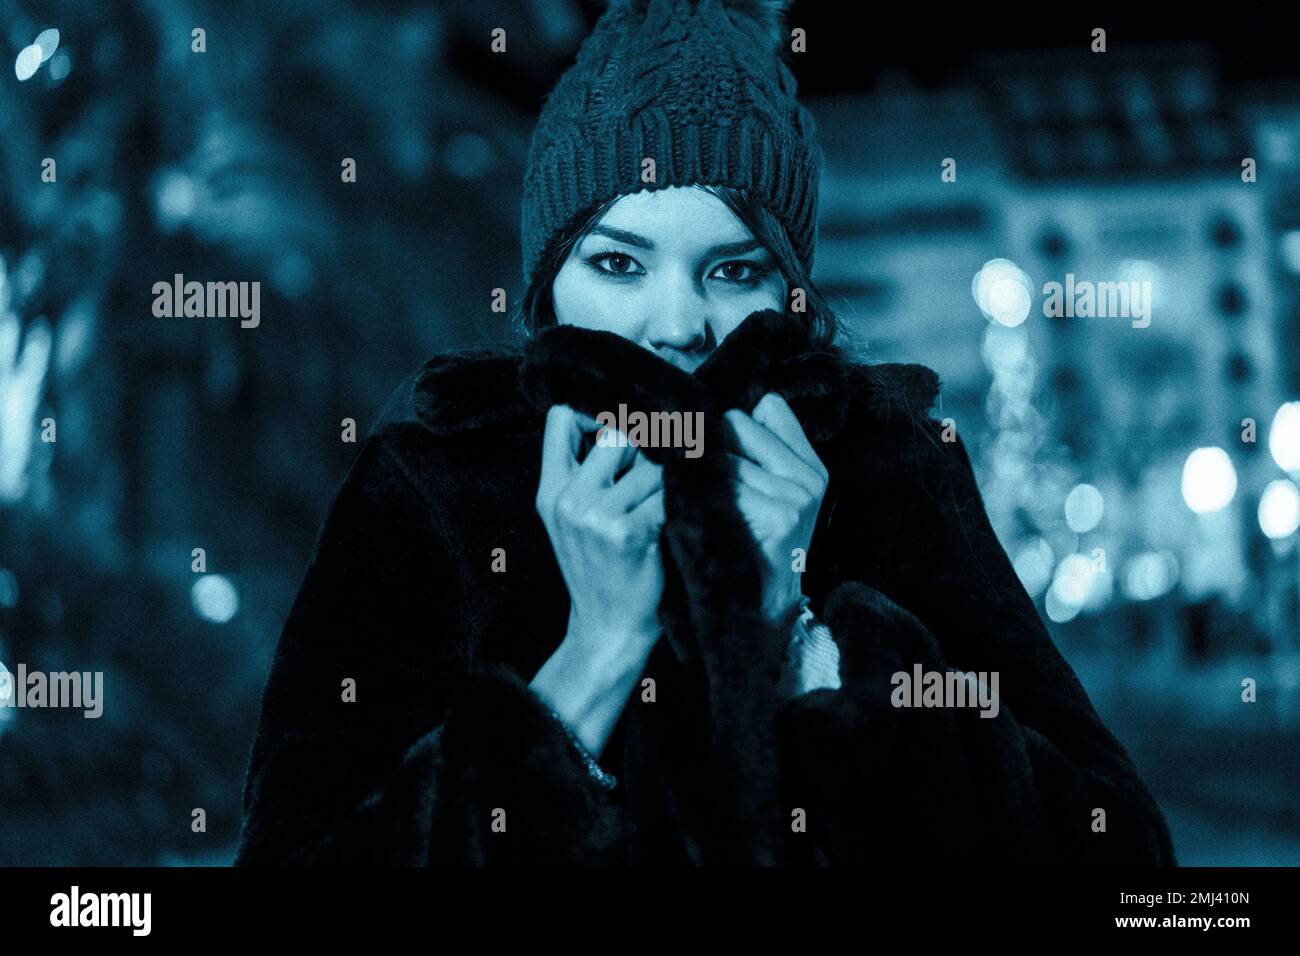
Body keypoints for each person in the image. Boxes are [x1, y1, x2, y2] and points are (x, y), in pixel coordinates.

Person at [234, 0, 1176, 866]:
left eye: (731, 271)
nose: (675, 322)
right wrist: (591, 661)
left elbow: (1124, 859)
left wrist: (805, 642)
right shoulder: (434, 486)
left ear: (789, 295)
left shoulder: (884, 464)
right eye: (618, 262)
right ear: (548, 282)